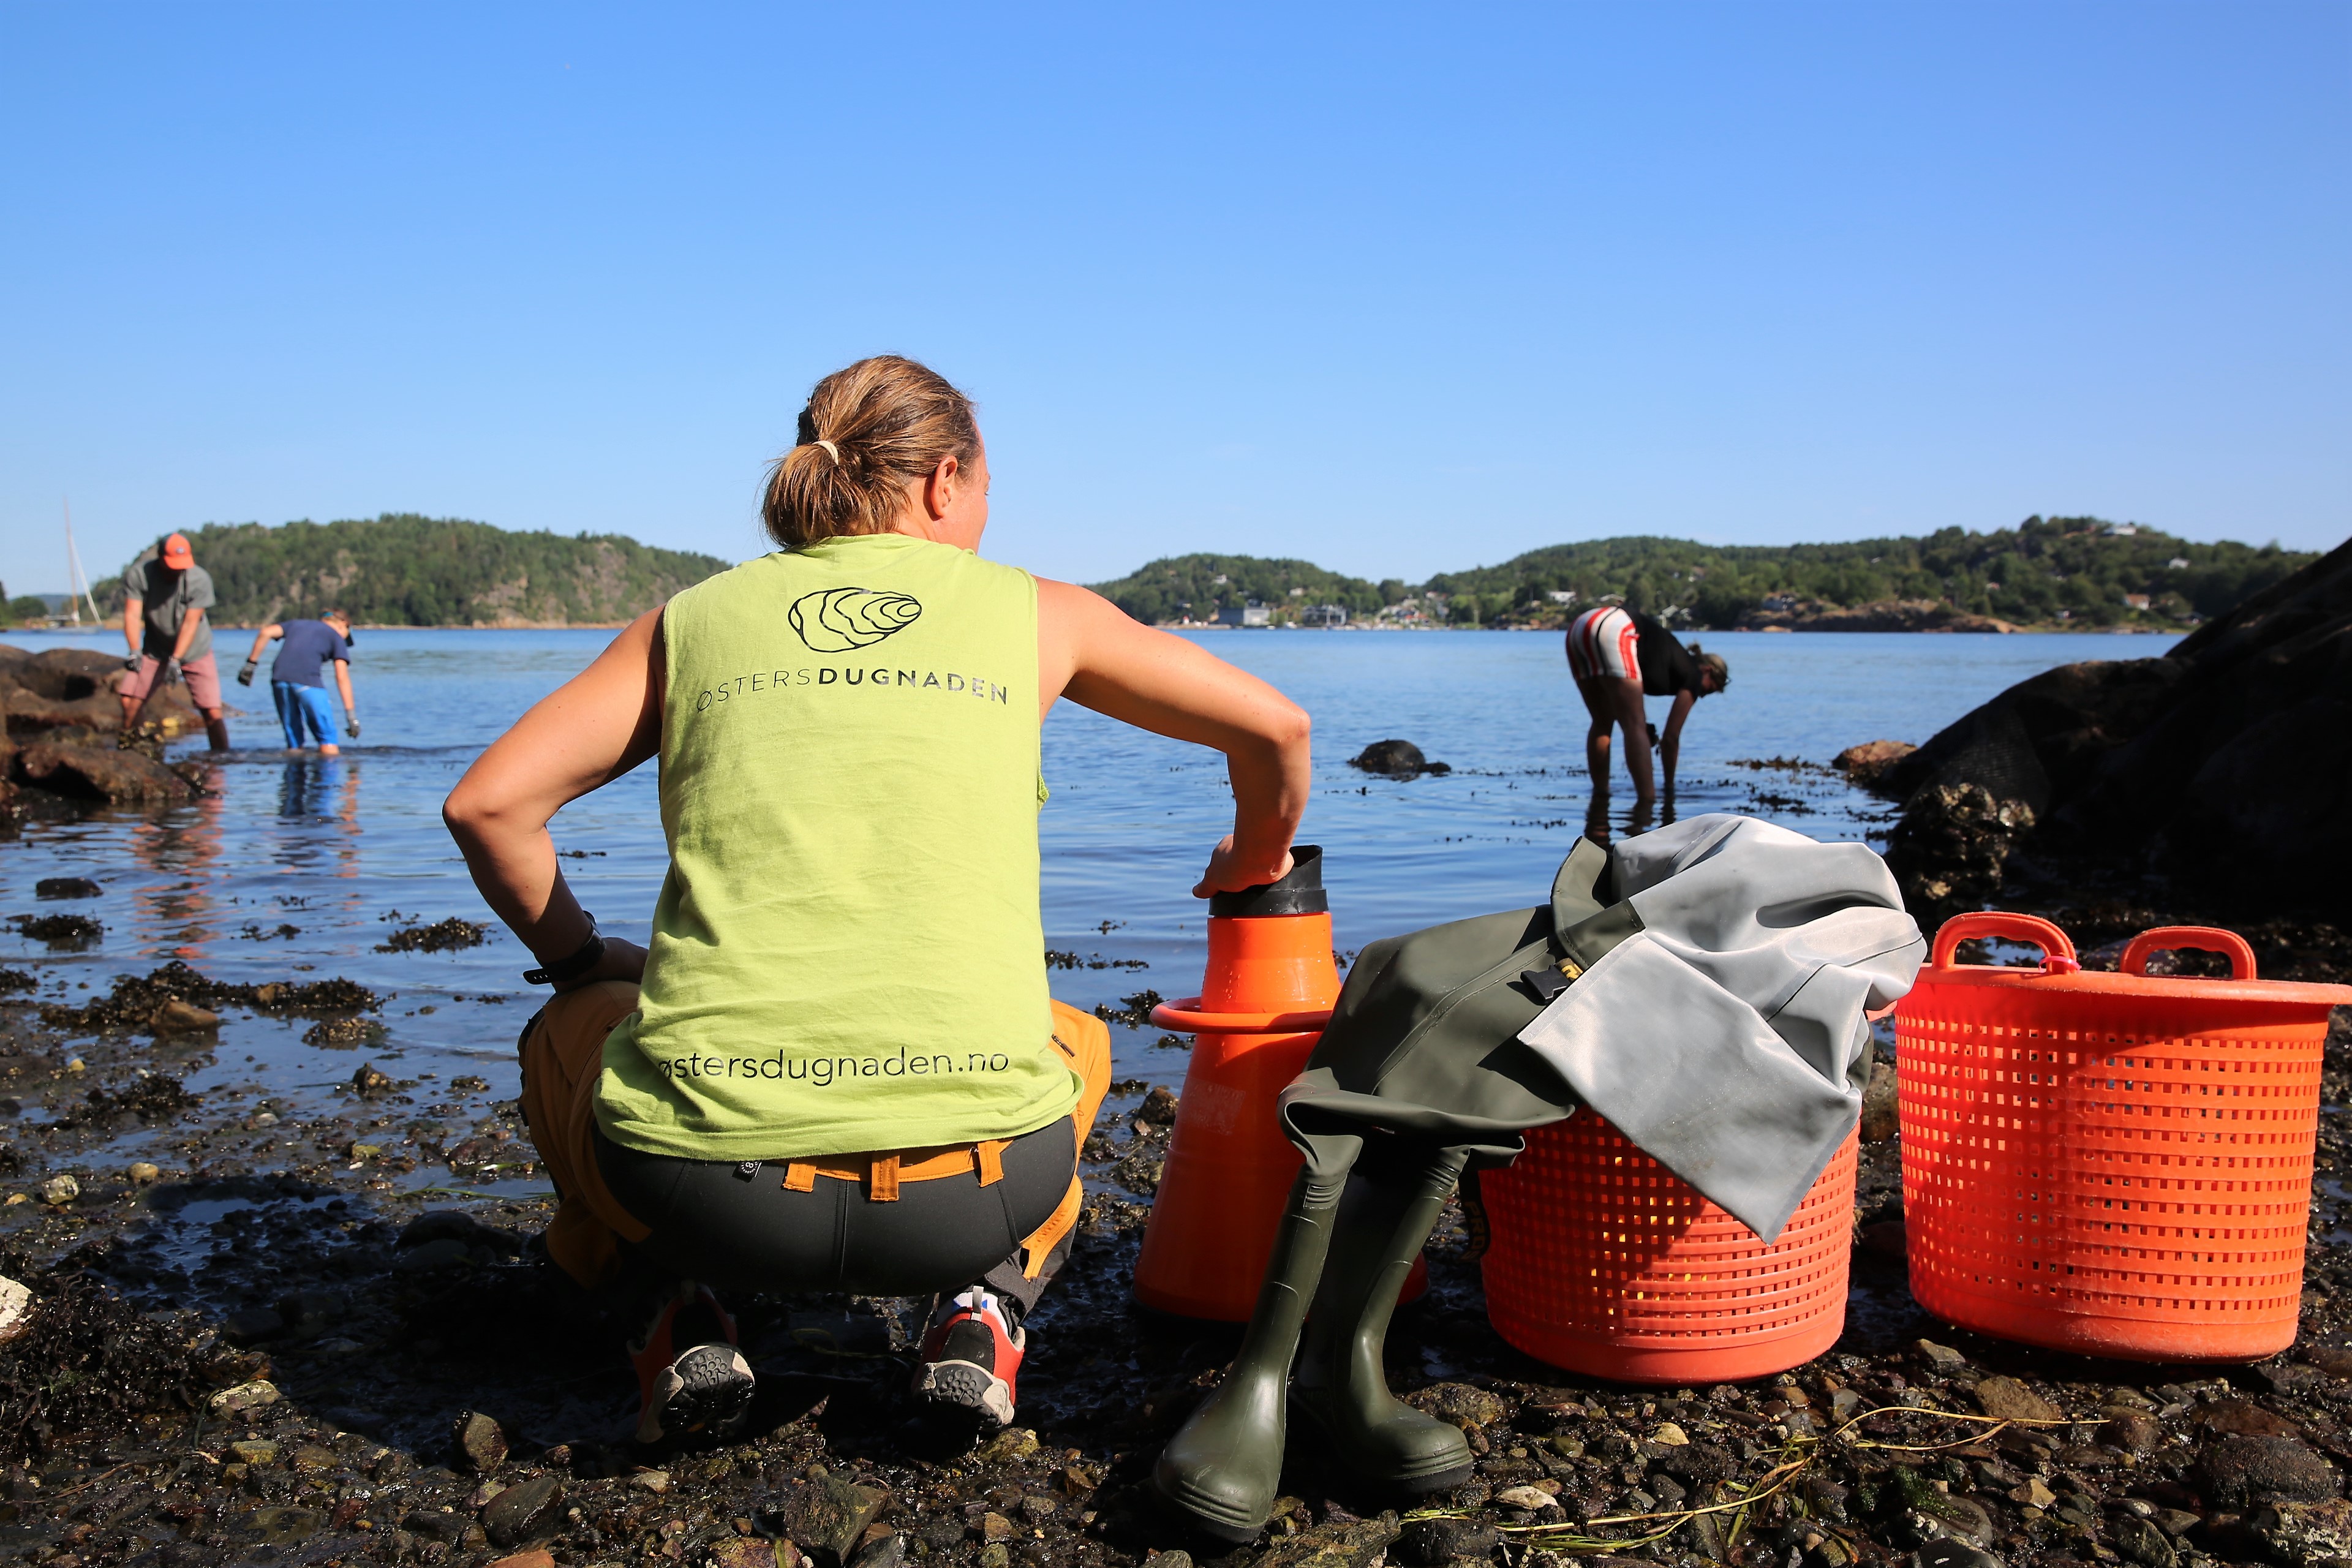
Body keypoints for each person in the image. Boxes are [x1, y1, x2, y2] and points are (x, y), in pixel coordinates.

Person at [443, 355, 1313, 1446]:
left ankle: (670, 1313)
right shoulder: (1040, 615)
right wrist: (1254, 855)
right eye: (988, 491)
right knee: (1078, 1044)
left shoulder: (691, 624)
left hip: (711, 1197)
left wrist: (581, 963)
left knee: (568, 1030)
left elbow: (489, 809)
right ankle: (984, 1310)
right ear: (946, 479)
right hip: (976, 1194)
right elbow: (1276, 729)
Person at [1564, 603, 1727, 807]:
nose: (1703, 695)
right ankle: (1647, 804)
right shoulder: (1693, 675)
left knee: (1602, 722)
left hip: (1582, 625)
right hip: (1617, 627)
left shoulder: (1674, 661)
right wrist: (1669, 788)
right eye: (1711, 689)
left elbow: (1620, 699)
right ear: (1708, 671)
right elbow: (1670, 738)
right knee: (1634, 726)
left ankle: (1600, 799)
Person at [119, 532, 231, 749]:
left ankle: (221, 760)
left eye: (182, 565)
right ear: (160, 558)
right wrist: (134, 651)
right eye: (172, 564)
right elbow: (132, 615)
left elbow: (191, 623)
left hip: (195, 650)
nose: (177, 570)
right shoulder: (140, 575)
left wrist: (176, 659)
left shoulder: (198, 579)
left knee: (212, 711)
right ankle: (137, 748)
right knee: (129, 700)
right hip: (154, 649)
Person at [239, 610, 360, 755]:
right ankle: (330, 773)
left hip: (279, 679)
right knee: (327, 740)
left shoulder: (297, 624)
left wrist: (250, 665)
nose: (344, 641)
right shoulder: (336, 636)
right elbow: (342, 677)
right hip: (308, 682)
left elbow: (266, 632)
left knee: (294, 742)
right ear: (344, 624)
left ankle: (294, 773)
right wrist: (351, 717)